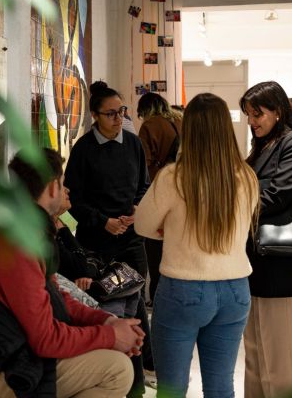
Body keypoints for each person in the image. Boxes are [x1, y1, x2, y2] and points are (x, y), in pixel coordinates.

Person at [0, 147, 146, 398]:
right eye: (63, 183)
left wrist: (107, 321)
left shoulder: (24, 230)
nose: (67, 190)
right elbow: (45, 339)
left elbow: (55, 297)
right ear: (53, 187)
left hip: (12, 349)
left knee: (114, 357)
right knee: (118, 370)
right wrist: (110, 336)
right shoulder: (18, 244)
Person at [135, 93, 259, 397]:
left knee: (173, 388)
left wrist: (175, 230)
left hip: (183, 289)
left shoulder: (173, 177)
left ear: (188, 128)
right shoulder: (247, 177)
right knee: (220, 385)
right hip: (235, 289)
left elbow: (142, 224)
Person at [64, 80, 152, 396]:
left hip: (131, 239)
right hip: (96, 244)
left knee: (136, 304)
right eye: (111, 113)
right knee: (113, 311)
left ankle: (136, 384)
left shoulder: (133, 144)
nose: (118, 119)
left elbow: (144, 185)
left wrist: (136, 209)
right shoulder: (83, 150)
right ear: (95, 116)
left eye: (122, 111)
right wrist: (104, 222)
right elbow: (72, 200)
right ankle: (117, 379)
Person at [240, 81, 292, 398]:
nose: (253, 121)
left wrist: (233, 209)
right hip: (257, 257)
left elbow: (278, 195)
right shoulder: (262, 145)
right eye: (249, 115)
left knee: (279, 347)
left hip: (279, 260)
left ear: (277, 111)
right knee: (255, 346)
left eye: (257, 113)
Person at [136, 93, 183, 306]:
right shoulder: (178, 121)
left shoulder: (150, 125)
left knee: (155, 250)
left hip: (158, 189)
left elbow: (142, 162)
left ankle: (157, 298)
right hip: (182, 190)